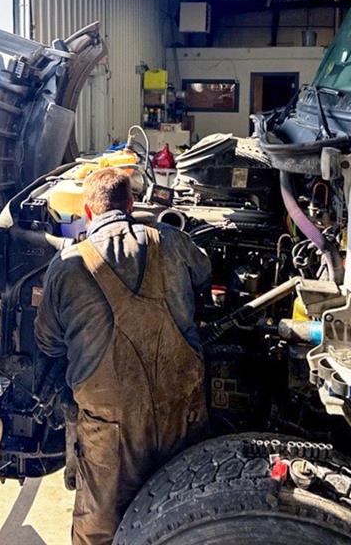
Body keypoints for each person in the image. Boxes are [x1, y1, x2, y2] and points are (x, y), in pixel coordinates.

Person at [35, 167, 211, 545]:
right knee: (192, 509)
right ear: (131, 204)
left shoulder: (66, 267)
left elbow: (48, 341)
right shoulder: (172, 241)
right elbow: (204, 273)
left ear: (87, 210)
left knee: (99, 527)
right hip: (182, 404)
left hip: (110, 423)